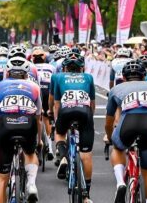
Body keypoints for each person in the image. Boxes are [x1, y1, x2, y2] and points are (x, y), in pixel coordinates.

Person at [105, 59, 147, 203]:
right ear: (144, 76)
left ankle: (120, 183)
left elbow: (109, 120)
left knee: (118, 149)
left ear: (123, 77)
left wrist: (110, 136)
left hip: (127, 125)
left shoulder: (116, 89)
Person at [0, 57, 42, 203]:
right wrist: (39, 141)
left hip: (5, 126)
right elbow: (38, 118)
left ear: (7, 72)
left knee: (1, 179)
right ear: (27, 73)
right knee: (30, 153)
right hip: (28, 124)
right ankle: (31, 184)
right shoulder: (34, 87)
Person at [51, 51, 95, 203]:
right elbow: (92, 103)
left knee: (59, 132)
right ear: (82, 68)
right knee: (86, 153)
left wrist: (56, 120)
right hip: (85, 112)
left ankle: (63, 156)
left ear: (64, 68)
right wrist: (89, 119)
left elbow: (56, 104)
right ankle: (86, 194)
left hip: (65, 111)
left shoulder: (58, 77)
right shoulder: (88, 78)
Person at [31, 47, 56, 161]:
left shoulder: (30, 67)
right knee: (46, 117)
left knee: (35, 117)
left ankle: (35, 140)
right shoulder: (51, 67)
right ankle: (50, 148)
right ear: (44, 57)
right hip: (48, 91)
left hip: (35, 92)